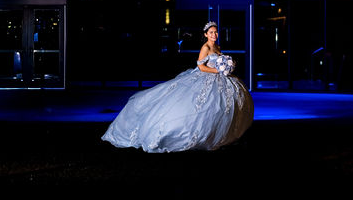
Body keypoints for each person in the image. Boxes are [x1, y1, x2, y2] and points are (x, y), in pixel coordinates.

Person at [101, 21, 254, 152]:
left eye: (216, 32)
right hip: (206, 77)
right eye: (211, 33)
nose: (214, 35)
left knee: (221, 107)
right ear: (206, 34)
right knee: (200, 107)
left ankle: (219, 135)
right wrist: (217, 70)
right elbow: (200, 67)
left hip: (219, 78)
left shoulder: (218, 47)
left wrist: (226, 68)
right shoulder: (205, 48)